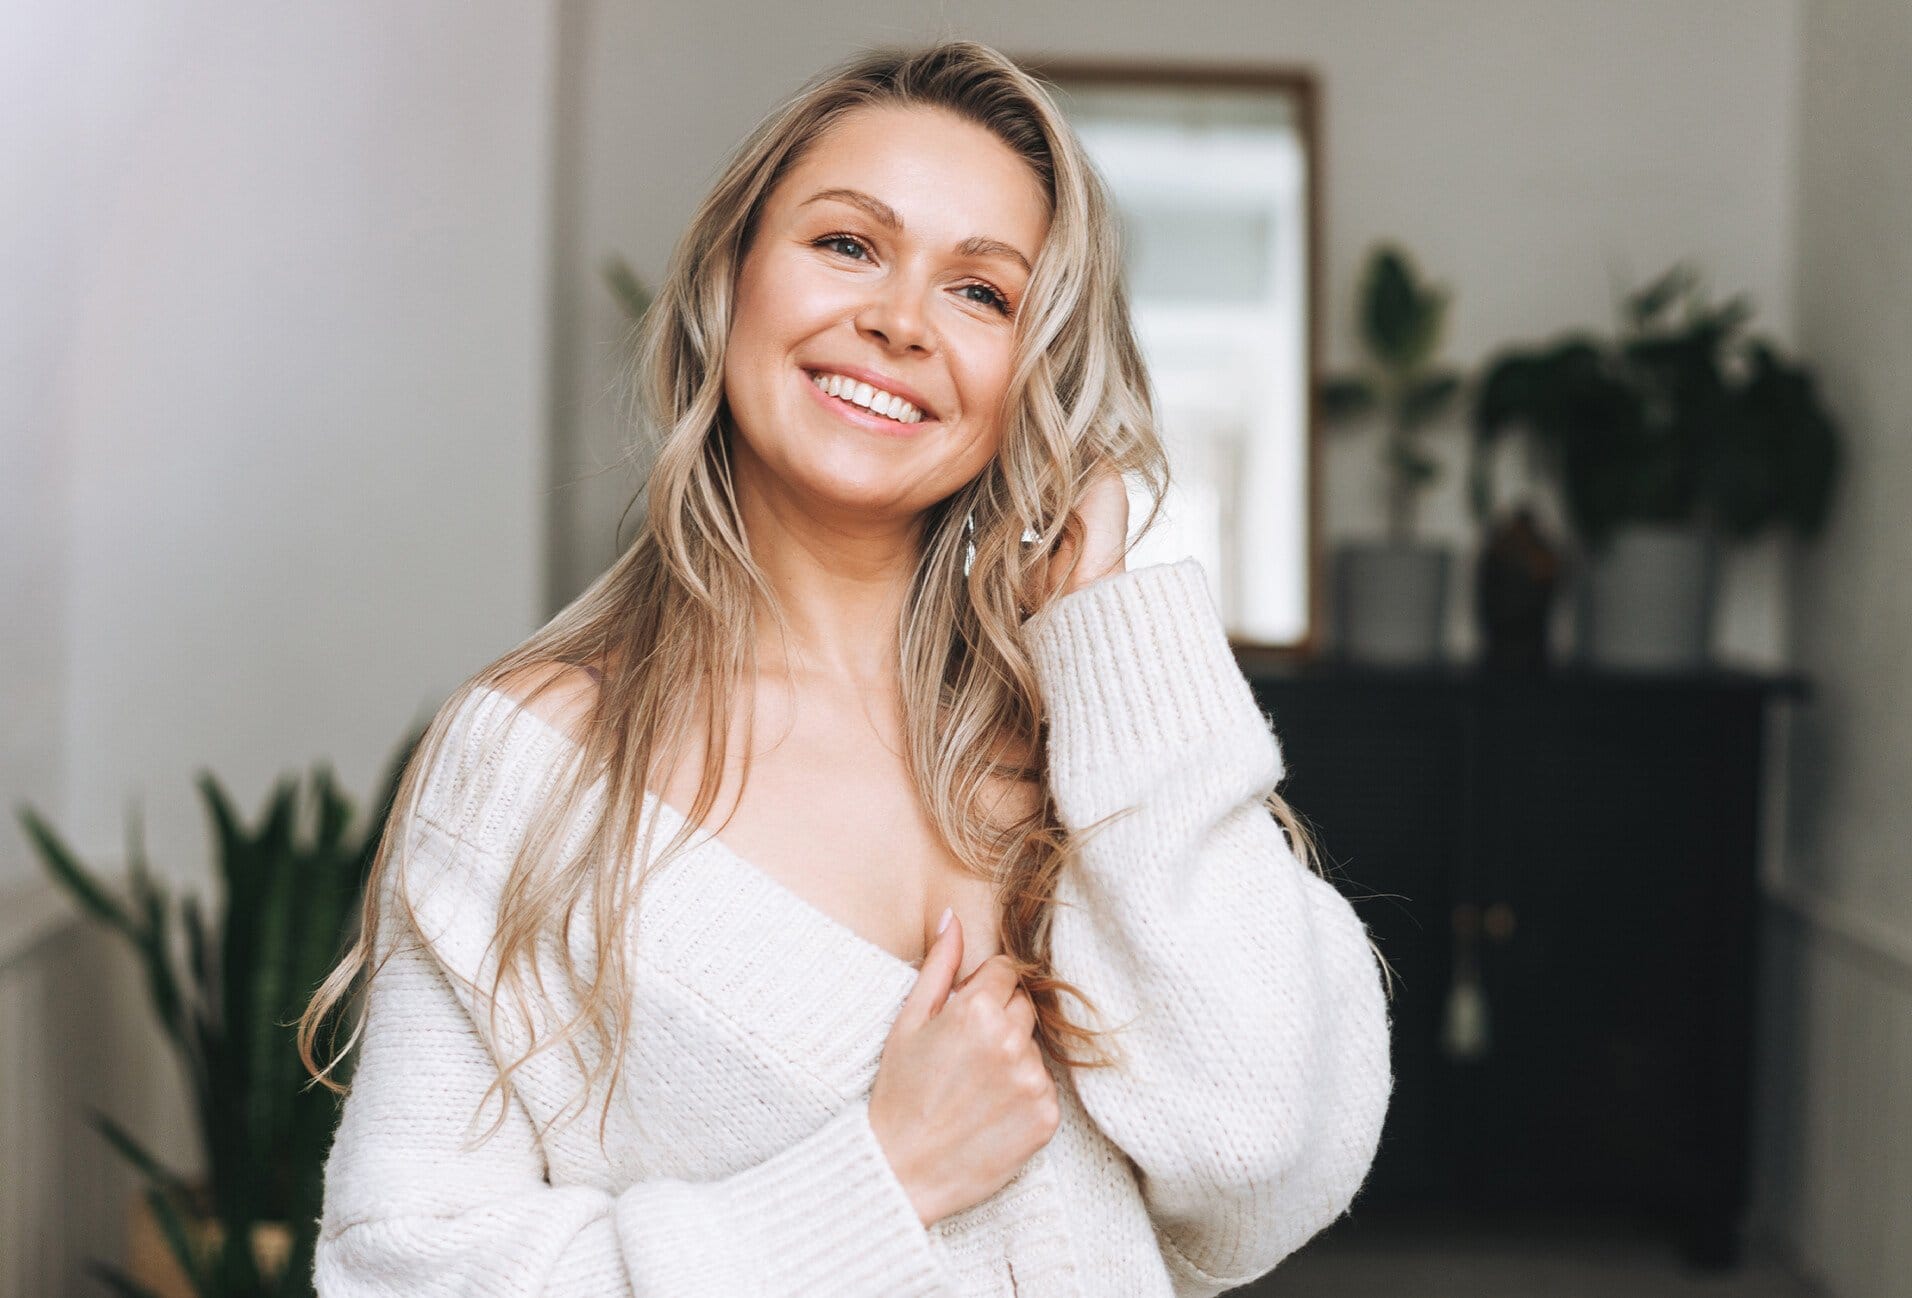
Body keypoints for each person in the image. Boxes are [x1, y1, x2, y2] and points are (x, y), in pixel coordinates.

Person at [299, 40, 1393, 1298]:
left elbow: (1255, 1151)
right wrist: (877, 1175)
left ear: (1029, 377)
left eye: (982, 292)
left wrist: (1112, 624)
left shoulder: (1084, 746)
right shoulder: (537, 760)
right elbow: (402, 1270)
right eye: (847, 245)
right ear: (731, 278)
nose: (899, 321)